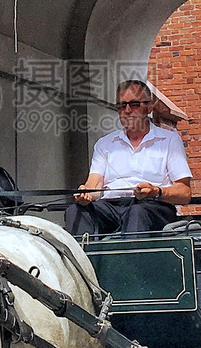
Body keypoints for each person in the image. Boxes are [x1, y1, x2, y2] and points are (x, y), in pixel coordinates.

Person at [65, 79, 192, 236]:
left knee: (137, 212)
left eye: (134, 105)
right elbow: (94, 183)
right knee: (75, 211)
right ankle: (83, 259)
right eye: (121, 106)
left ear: (149, 107)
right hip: (111, 206)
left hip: (153, 207)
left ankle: (129, 261)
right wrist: (86, 193)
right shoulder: (105, 144)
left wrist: (156, 191)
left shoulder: (169, 140)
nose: (127, 110)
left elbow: (185, 193)